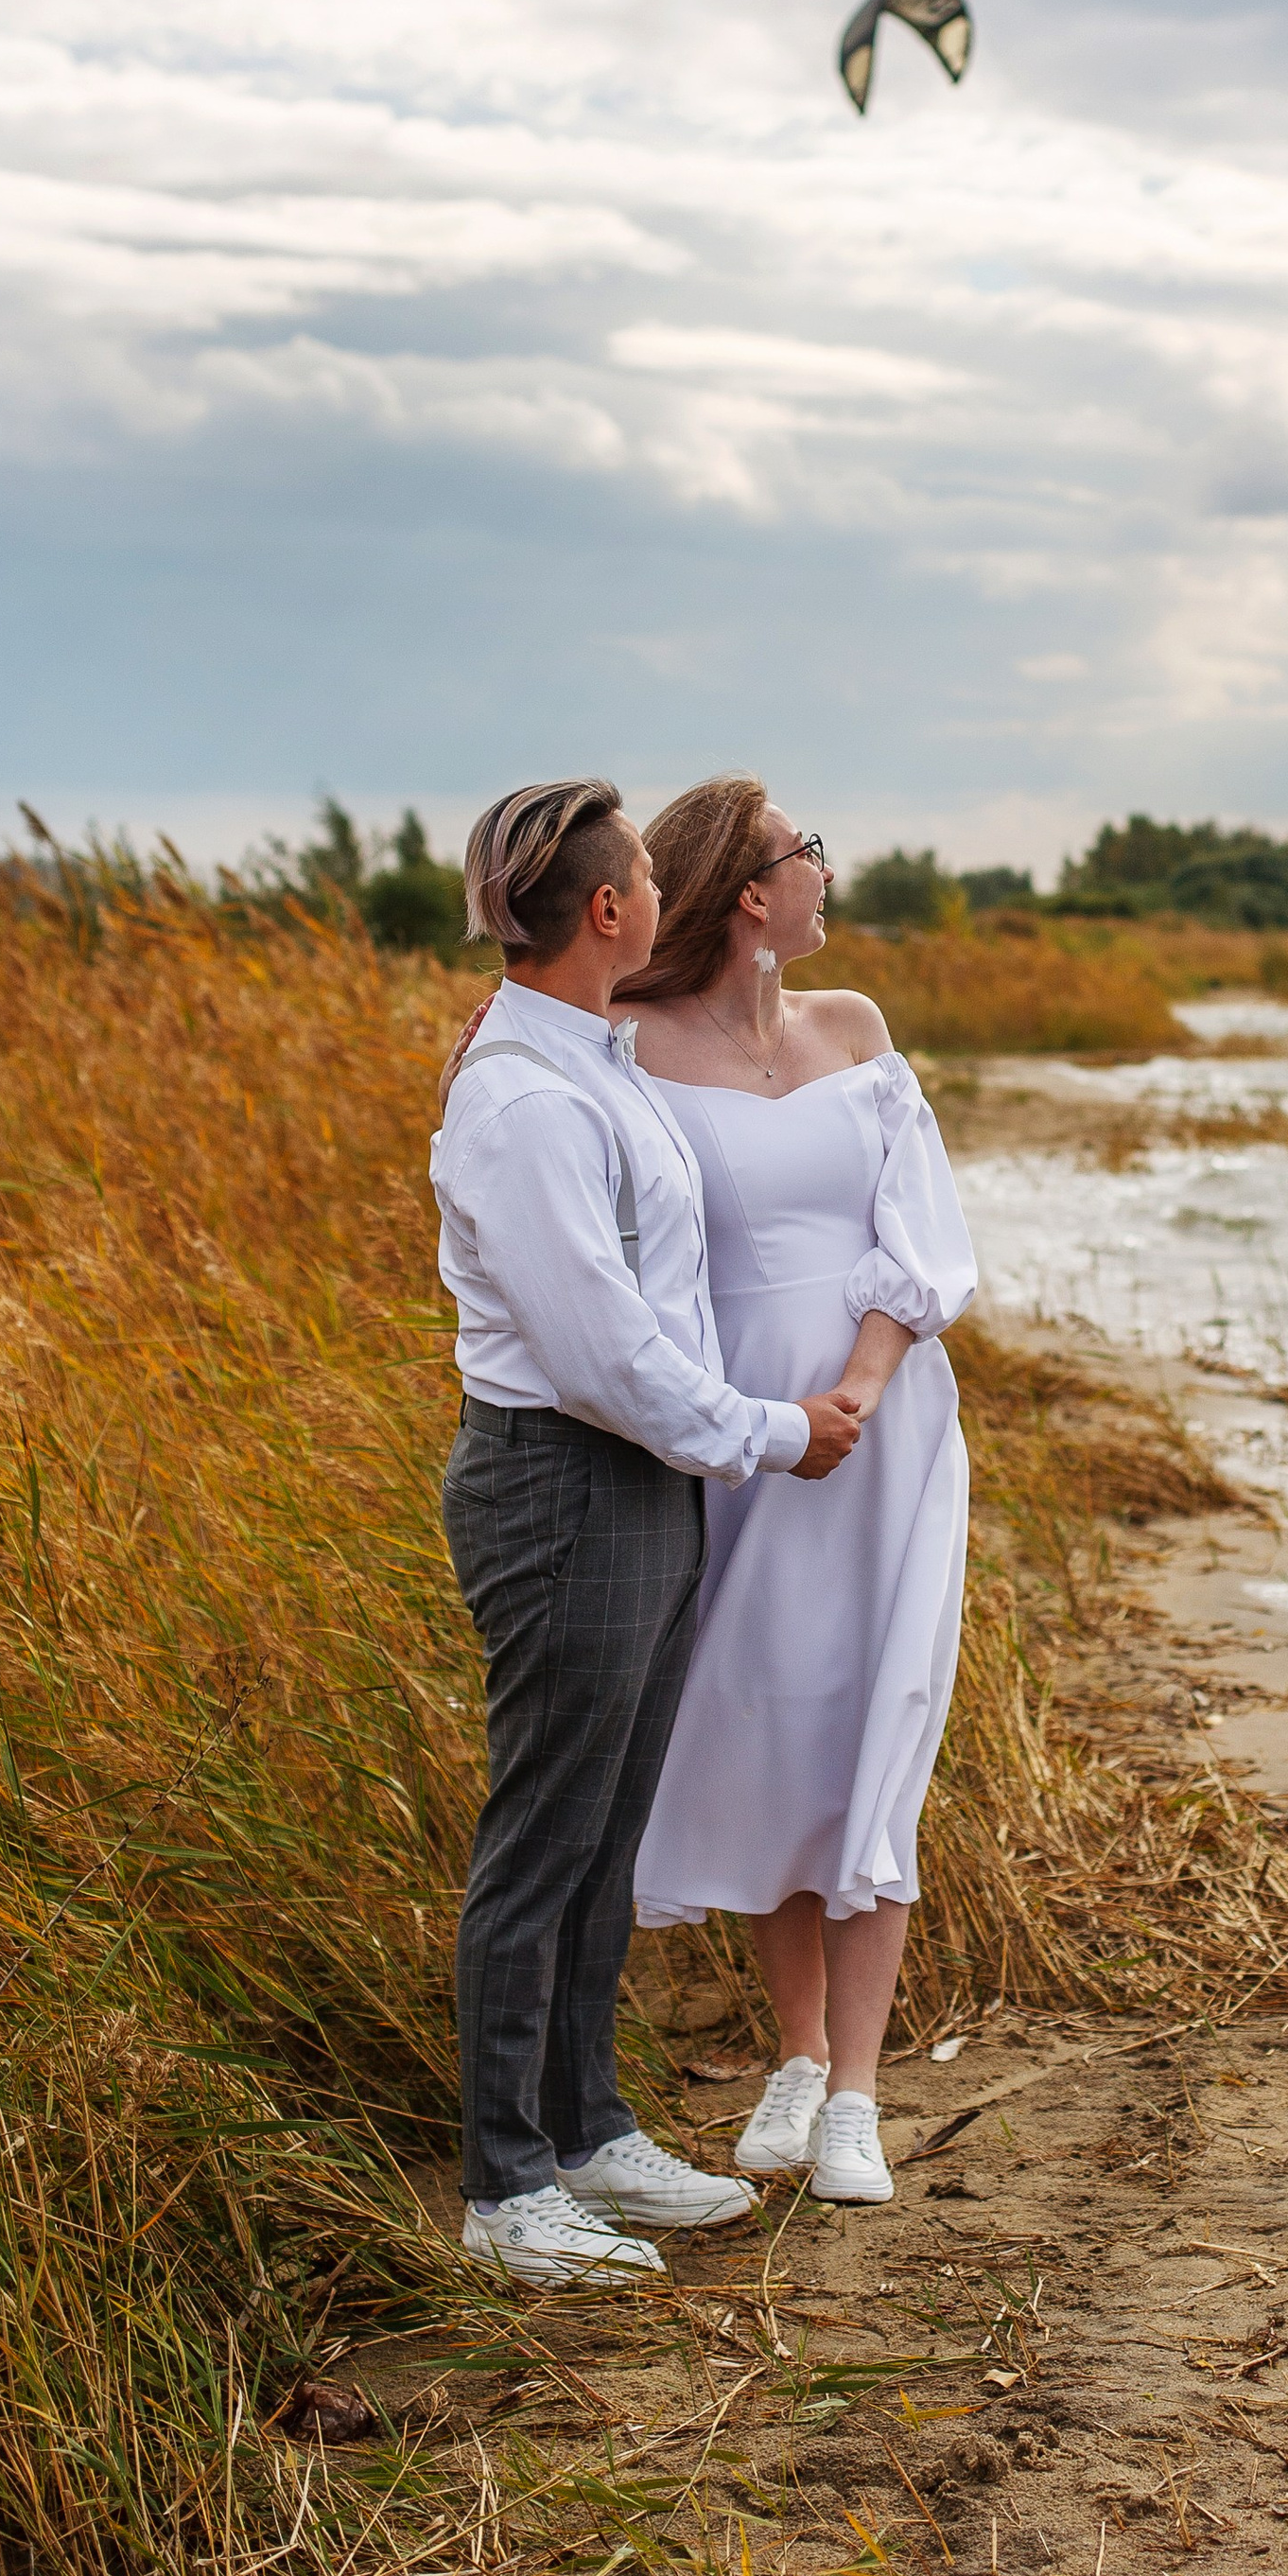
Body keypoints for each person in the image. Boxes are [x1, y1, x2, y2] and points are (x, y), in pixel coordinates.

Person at [428, 778, 864, 2287]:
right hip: (565, 1482)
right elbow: (602, 1353)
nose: (664, 907)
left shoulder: (596, 1065)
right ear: (610, 911)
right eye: (648, 889)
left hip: (639, 1484)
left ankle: (588, 2129)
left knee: (608, 1832)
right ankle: (506, 2186)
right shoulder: (528, 1101)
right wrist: (771, 1434)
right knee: (545, 1835)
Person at [618, 780, 977, 2207]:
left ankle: (859, 2096)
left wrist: (868, 1386)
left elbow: (924, 1231)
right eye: (807, 851)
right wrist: (772, 1423)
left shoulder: (858, 1033)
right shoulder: (631, 1048)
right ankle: (797, 2050)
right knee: (772, 1720)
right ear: (749, 894)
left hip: (884, 1430)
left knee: (880, 1722)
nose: (830, 871)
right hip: (742, 1435)